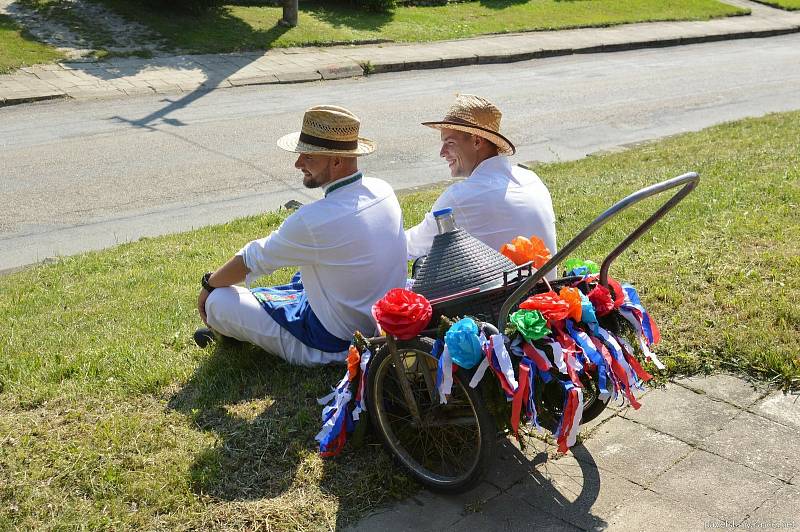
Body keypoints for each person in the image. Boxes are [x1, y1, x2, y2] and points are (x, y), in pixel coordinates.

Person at [195, 105, 408, 366]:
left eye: (307, 157)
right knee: (303, 275)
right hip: (380, 321)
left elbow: (253, 259)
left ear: (337, 161)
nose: (298, 164)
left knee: (219, 302)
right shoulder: (382, 188)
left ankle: (229, 327)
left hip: (335, 344)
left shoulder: (313, 220)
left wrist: (208, 286)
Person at [405, 94, 557, 276]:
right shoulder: (531, 179)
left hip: (503, 302)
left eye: (450, 142)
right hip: (548, 296)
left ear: (477, 141)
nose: (442, 152)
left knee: (423, 264)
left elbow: (409, 247)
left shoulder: (462, 197)